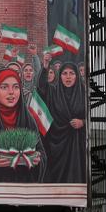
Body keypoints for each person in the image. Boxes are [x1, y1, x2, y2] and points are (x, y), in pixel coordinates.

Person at [39, 54, 87, 183]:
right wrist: (45, 65)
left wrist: (83, 122)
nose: (68, 77)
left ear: (77, 76)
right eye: (64, 73)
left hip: (77, 144)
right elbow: (42, 87)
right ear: (60, 76)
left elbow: (92, 117)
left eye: (72, 73)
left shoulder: (85, 94)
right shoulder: (54, 92)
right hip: (56, 143)